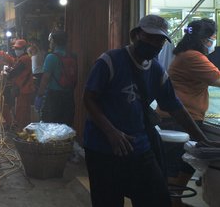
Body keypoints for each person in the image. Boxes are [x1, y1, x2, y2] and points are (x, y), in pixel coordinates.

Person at [83, 14, 220, 207]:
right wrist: (111, 132)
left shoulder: (156, 71)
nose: (154, 43)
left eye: (160, 40)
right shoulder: (110, 61)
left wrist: (201, 138)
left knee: (156, 198)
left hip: (140, 147)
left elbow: (175, 107)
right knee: (108, 201)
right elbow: (88, 98)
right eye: (149, 37)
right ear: (136, 36)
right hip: (103, 148)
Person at [159, 18, 220, 207]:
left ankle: (174, 201)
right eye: (212, 38)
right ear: (203, 39)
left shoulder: (186, 54)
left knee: (183, 170)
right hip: (179, 119)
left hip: (184, 118)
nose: (213, 42)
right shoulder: (193, 56)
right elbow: (217, 78)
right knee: (175, 171)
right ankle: (170, 202)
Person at [38, 31, 76, 127]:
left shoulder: (51, 57)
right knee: (65, 127)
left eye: (50, 41)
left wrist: (39, 96)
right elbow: (75, 78)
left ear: (54, 42)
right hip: (69, 96)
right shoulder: (73, 56)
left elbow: (45, 79)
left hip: (54, 98)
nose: (50, 43)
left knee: (51, 128)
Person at [7, 39, 35, 130]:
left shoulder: (24, 59)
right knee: (25, 111)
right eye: (15, 48)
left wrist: (8, 73)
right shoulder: (23, 58)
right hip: (25, 88)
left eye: (18, 48)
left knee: (21, 111)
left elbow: (14, 72)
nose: (16, 50)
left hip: (24, 88)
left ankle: (21, 129)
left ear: (24, 49)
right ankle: (25, 129)